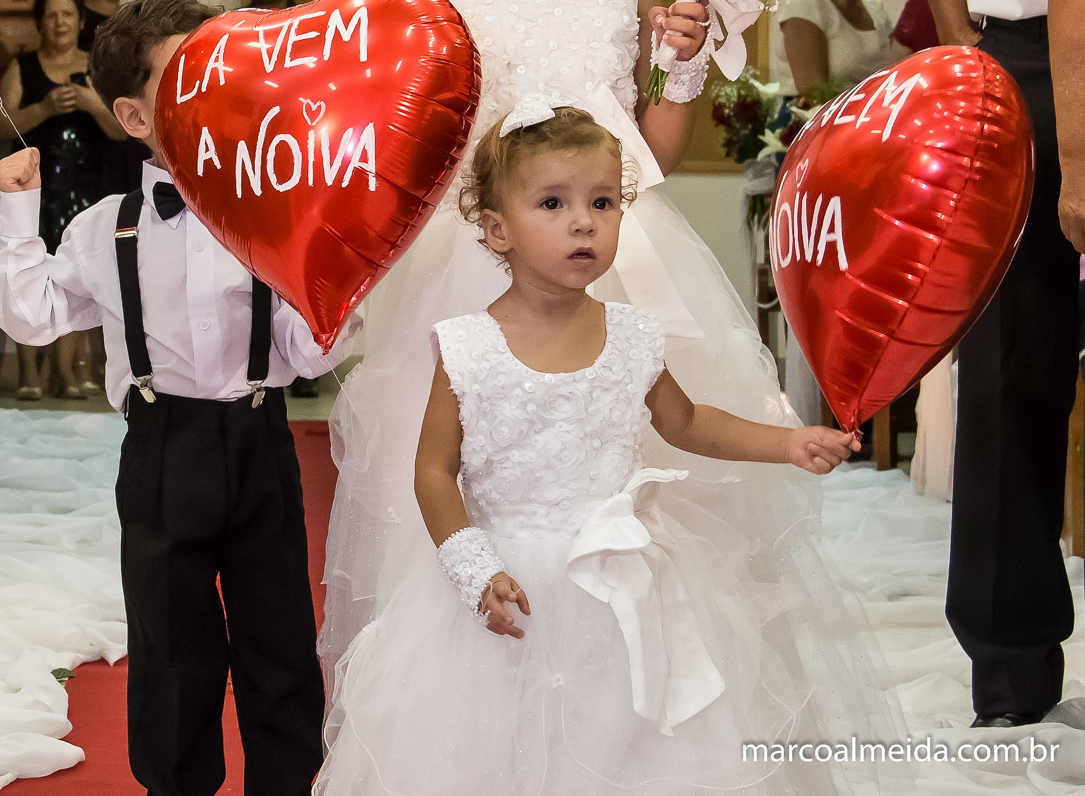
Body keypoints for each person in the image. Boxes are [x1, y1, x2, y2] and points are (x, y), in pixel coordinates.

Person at [315, 104, 906, 794]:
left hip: (625, 581)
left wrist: (788, 442)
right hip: (512, 582)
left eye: (602, 202)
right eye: (553, 203)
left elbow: (686, 423)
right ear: (496, 229)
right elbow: (433, 470)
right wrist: (473, 567)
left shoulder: (631, 333)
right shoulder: (467, 346)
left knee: (636, 744)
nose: (583, 222)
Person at [0, 0, 358, 792]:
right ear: (133, 114)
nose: (214, 88)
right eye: (187, 75)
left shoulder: (272, 216)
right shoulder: (104, 228)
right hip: (159, 450)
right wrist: (18, 211)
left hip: (260, 441)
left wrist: (338, 297)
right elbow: (32, 314)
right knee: (171, 649)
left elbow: (296, 347)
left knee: (279, 641)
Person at [926, 0, 1080, 728]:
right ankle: (1011, 671)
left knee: (1007, 373)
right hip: (1021, 60)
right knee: (1004, 370)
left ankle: (1011, 674)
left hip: (1019, 61)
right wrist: (963, 42)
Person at [774, 0, 904, 427]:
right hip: (824, 159)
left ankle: (880, 401)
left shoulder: (875, 8)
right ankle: (828, 408)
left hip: (878, 154)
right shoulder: (804, 6)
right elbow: (815, 95)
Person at [0, 0, 126, 400]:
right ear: (39, 24)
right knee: (29, 272)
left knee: (79, 277)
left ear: (80, 19)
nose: (60, 22)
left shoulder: (96, 65)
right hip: (35, 190)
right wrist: (45, 108)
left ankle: (68, 371)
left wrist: (95, 105)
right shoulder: (23, 66)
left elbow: (124, 129)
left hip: (87, 192)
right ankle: (29, 373)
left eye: (67, 14)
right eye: (51, 15)